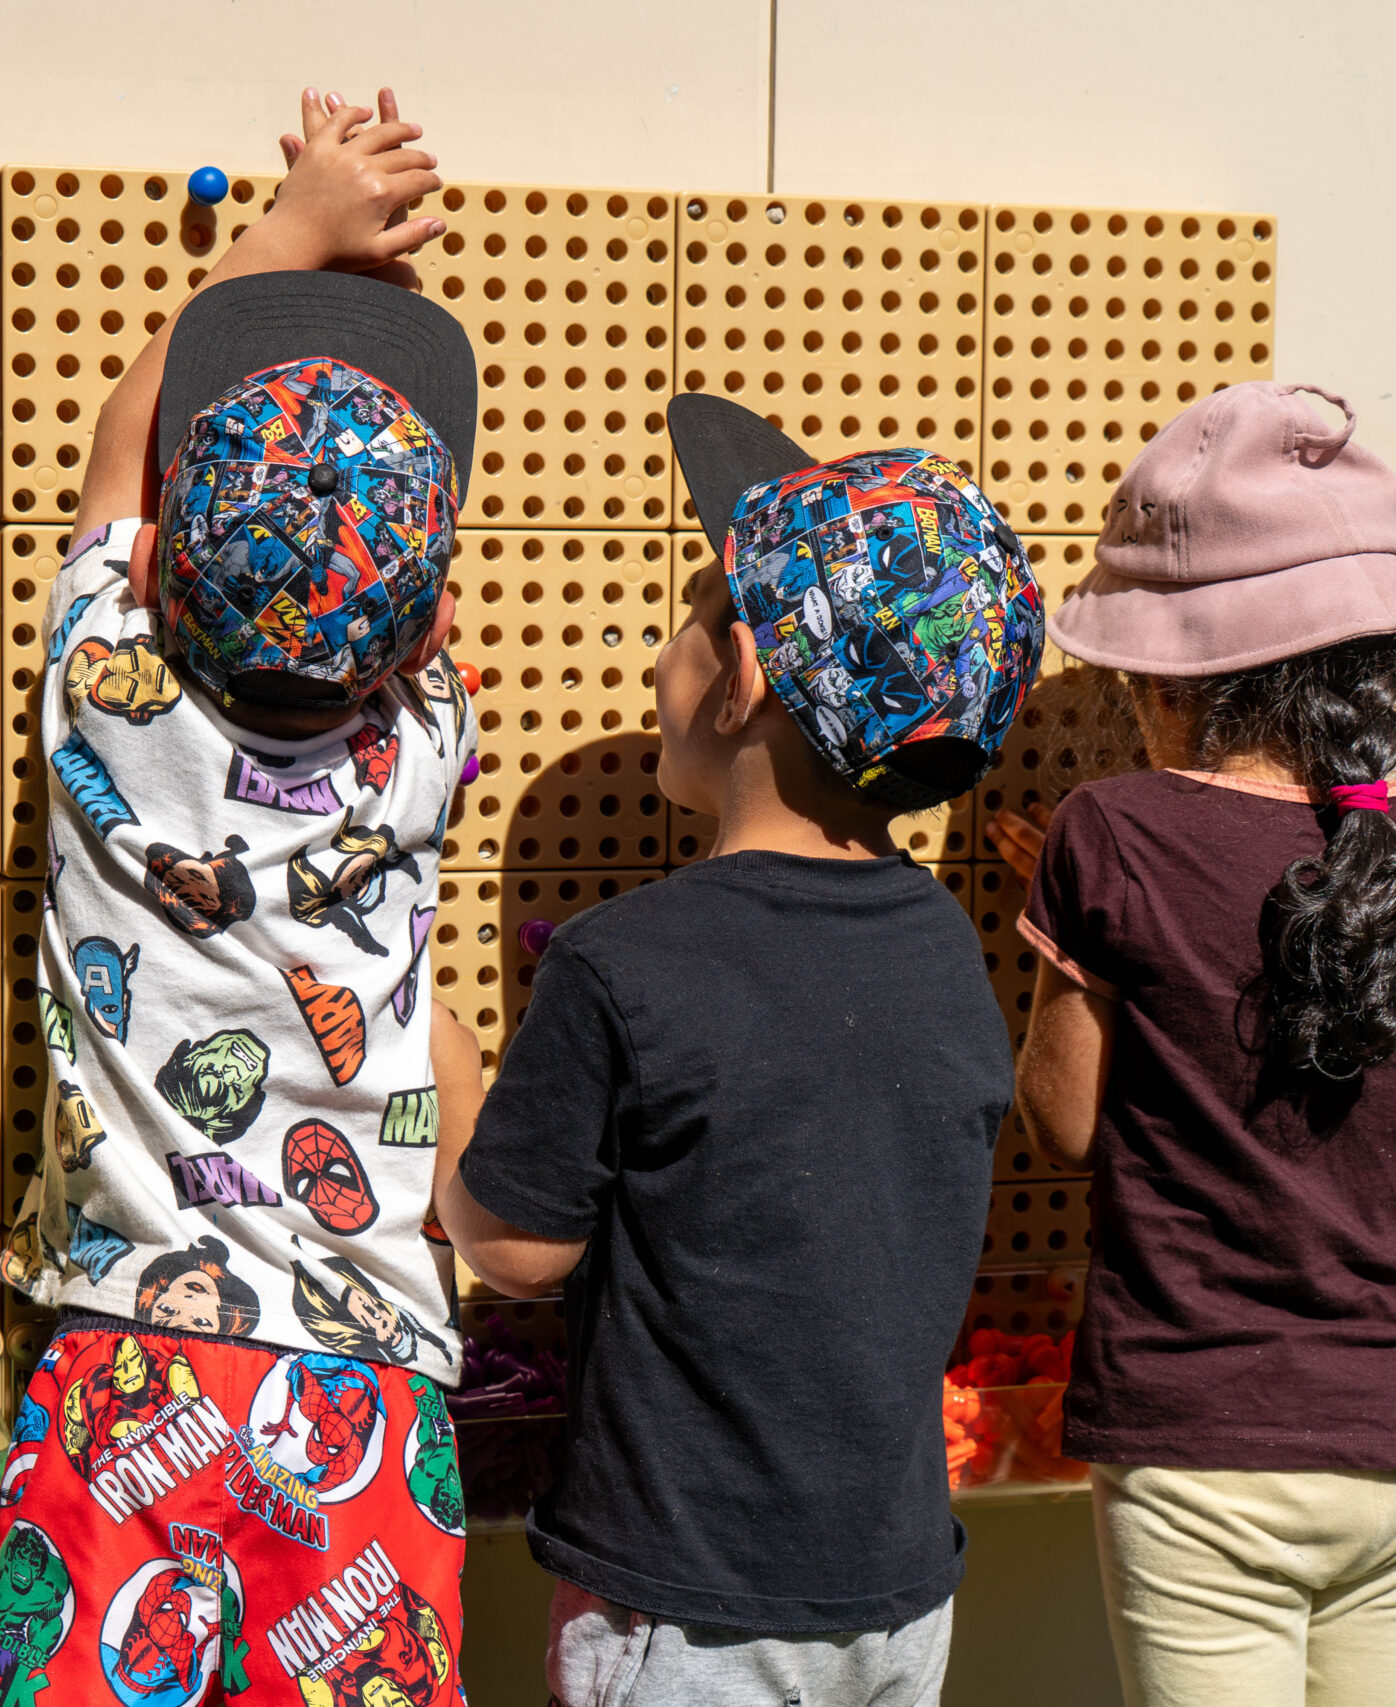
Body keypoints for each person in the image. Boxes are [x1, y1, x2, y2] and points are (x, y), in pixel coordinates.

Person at [0, 86, 478, 1707]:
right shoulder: (428, 744)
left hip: (135, 1366)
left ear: (153, 567)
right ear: (430, 629)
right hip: (369, 1383)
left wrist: (280, 242)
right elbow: (381, 600)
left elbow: (121, 459)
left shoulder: (105, 697)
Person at [434, 393, 1046, 1707]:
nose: (666, 653)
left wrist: (454, 1084)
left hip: (689, 1611)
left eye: (697, 616)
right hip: (897, 1598)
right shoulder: (949, 951)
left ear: (746, 679)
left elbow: (518, 1250)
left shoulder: (622, 960)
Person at [982, 381, 1396, 1707]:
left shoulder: (1109, 833)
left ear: (1178, 673)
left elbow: (1066, 1122)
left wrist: (1077, 932)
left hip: (1203, 1443)